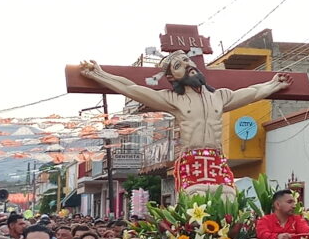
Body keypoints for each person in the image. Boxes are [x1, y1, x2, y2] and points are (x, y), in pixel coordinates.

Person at [80, 54, 292, 198]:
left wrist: (273, 84)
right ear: (172, 77)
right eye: (179, 65)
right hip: (192, 159)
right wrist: (99, 74)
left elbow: (252, 92)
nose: (188, 65)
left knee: (228, 201)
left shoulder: (220, 96)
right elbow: (132, 88)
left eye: (187, 60)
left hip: (217, 159)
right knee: (195, 203)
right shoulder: (173, 99)